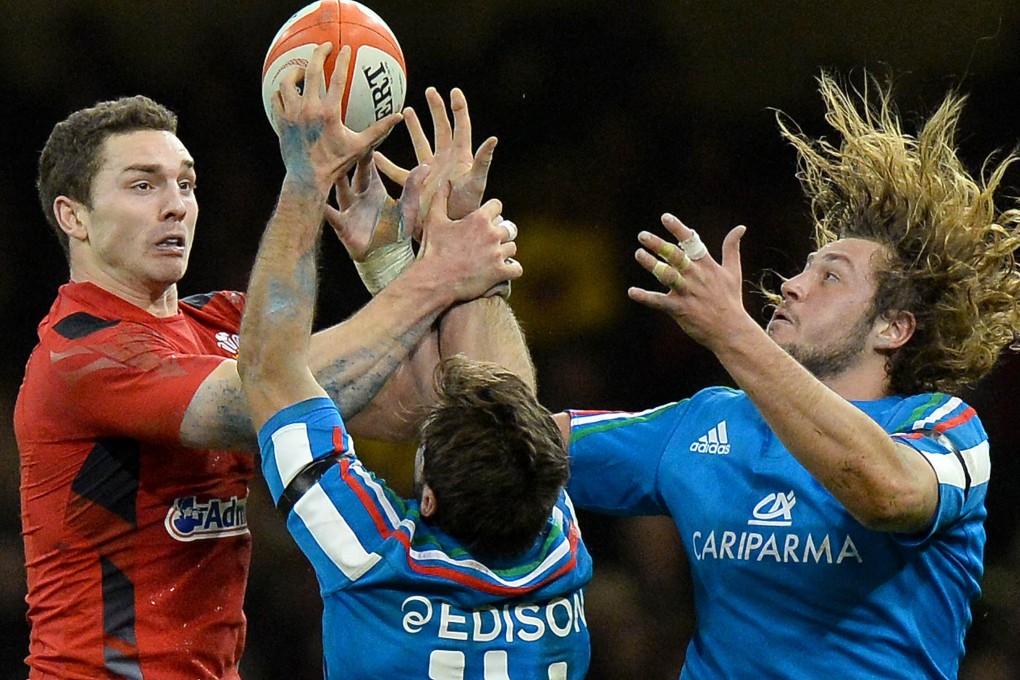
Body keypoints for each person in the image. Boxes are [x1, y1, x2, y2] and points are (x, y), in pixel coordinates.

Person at [13, 42, 518, 678]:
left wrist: (396, 259)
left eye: (187, 184)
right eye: (143, 185)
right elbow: (263, 394)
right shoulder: (79, 351)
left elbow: (409, 405)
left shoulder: (223, 322)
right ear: (73, 217)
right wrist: (318, 191)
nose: (176, 205)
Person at [556, 72, 1020, 678]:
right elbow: (508, 444)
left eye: (830, 277)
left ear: (893, 329)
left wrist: (732, 331)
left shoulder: (945, 427)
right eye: (803, 268)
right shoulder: (710, 421)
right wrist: (453, 280)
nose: (791, 285)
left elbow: (884, 490)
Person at [237, 43, 592, 679]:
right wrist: (432, 250)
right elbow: (510, 406)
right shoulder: (557, 555)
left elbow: (264, 368)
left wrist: (306, 179)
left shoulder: (370, 557)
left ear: (425, 500)